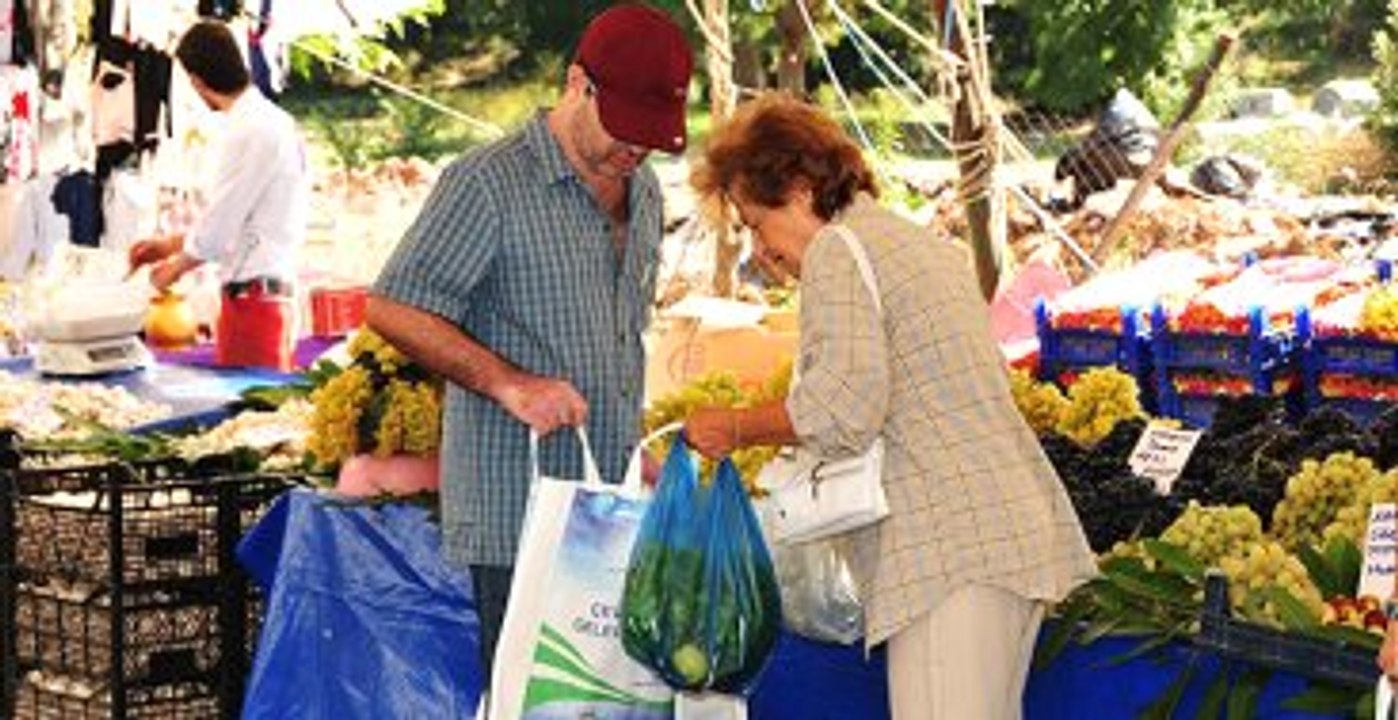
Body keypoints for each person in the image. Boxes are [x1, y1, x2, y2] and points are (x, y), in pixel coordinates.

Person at [683, 93, 1096, 720]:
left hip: (947, 555)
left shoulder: (838, 252)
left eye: (755, 221)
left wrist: (736, 428)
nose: (761, 249)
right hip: (1007, 536)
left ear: (796, 188)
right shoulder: (909, 242)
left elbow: (840, 411)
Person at [364, 4, 693, 677]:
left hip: (613, 509)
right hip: (520, 512)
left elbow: (616, 334)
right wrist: (509, 383)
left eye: (653, 137)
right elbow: (394, 307)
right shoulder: (488, 184)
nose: (636, 150)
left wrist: (633, 445)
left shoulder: (648, 190)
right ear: (578, 84)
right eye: (626, 129)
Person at [128, 20, 308, 371]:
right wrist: (169, 245)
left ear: (196, 80)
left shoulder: (248, 130)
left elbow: (219, 230)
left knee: (251, 415)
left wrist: (166, 273)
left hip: (253, 299)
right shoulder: (275, 121)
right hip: (269, 293)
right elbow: (243, 218)